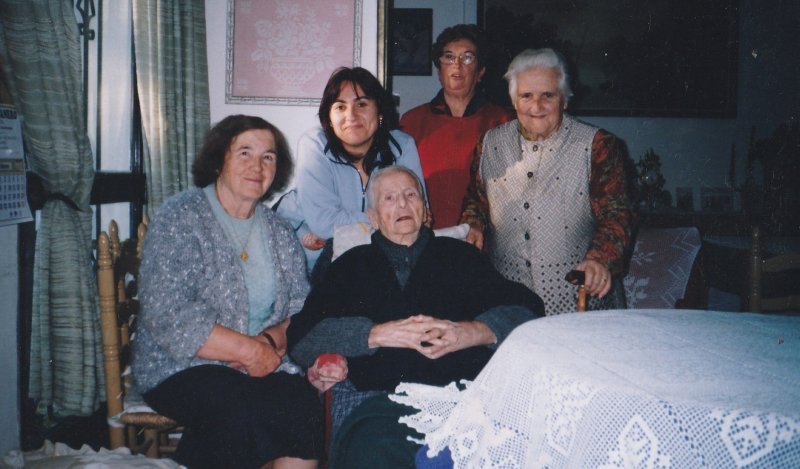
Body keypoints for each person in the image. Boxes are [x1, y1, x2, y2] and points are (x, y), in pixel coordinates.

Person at [287, 165, 544, 468]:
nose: (402, 204)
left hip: (462, 402)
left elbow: (527, 311)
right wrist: (374, 334)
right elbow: (302, 338)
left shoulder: (462, 256)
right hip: (381, 405)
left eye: (411, 195)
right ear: (373, 217)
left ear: (425, 210)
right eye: (389, 198)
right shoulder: (351, 266)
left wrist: (473, 331)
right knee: (373, 453)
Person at [132, 115, 322, 469]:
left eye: (268, 157)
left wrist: (268, 342)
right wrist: (249, 351)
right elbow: (169, 313)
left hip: (263, 363)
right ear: (220, 158)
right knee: (239, 408)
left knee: (302, 406)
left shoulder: (280, 231)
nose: (257, 166)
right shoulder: (180, 217)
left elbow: (301, 308)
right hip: (180, 365)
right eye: (244, 152)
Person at [461, 48, 633, 316]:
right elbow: (476, 200)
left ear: (564, 100)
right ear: (514, 100)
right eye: (526, 96)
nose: (536, 106)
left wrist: (599, 260)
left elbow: (616, 215)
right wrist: (473, 223)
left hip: (579, 303)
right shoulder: (489, 144)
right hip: (508, 302)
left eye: (548, 95)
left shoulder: (597, 145)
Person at [275, 66, 426, 277]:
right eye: (340, 107)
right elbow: (324, 223)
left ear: (379, 112)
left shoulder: (402, 146)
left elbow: (418, 214)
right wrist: (386, 219)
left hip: (364, 262)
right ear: (329, 117)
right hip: (302, 264)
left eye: (361, 104)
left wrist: (355, 225)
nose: (351, 116)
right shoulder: (314, 144)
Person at [400, 24, 513, 228]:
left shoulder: (501, 121)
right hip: (426, 235)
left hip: (482, 235)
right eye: (449, 57)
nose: (457, 65)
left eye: (467, 58)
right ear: (439, 70)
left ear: (480, 71)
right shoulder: (411, 122)